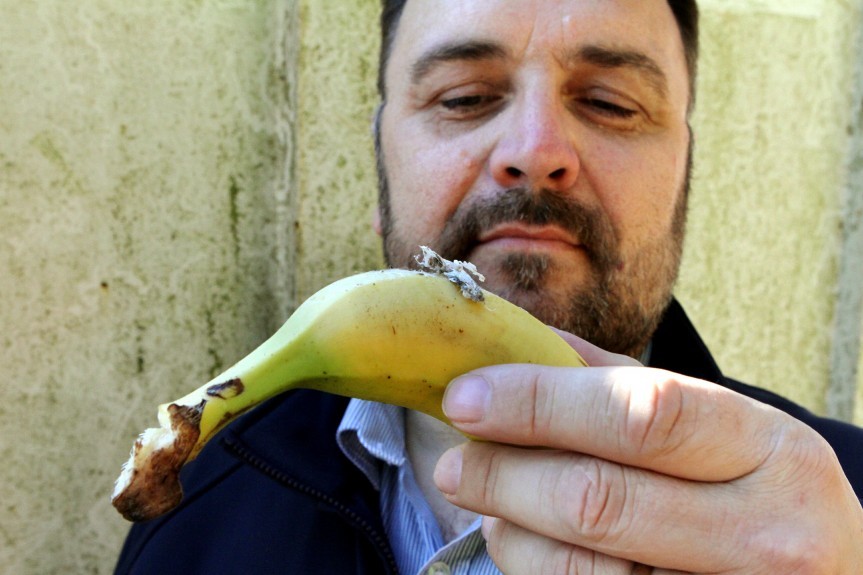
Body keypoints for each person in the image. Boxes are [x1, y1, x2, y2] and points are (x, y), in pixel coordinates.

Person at [115, 0, 863, 573]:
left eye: (608, 102)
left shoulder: (843, 517)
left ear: (685, 174)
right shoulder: (193, 505)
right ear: (379, 161)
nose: (535, 152)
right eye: (464, 97)